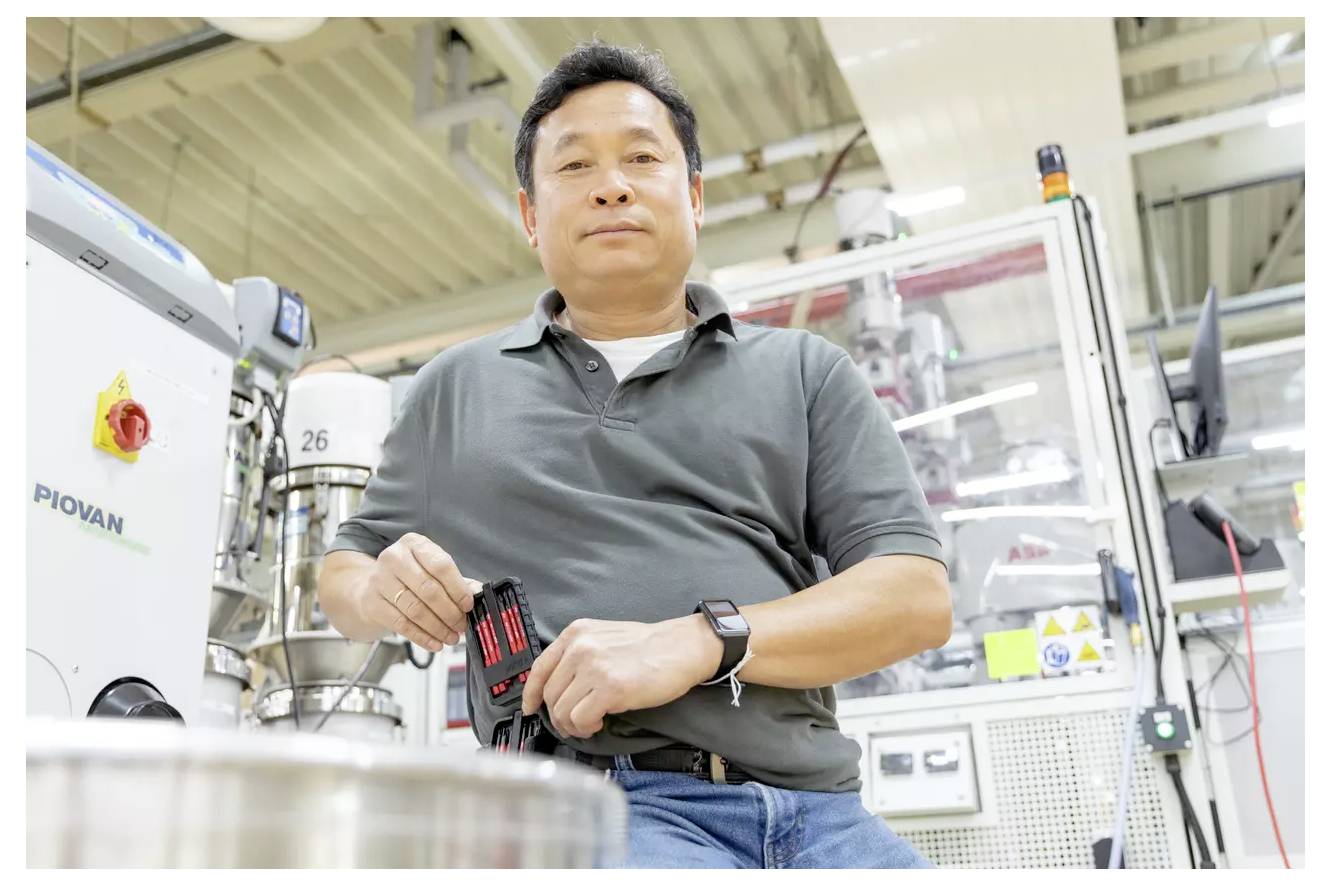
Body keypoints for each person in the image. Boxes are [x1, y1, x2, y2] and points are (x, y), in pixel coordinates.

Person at [321, 41, 952, 869]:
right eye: (574, 165)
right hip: (601, 805)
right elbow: (344, 575)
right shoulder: (455, 388)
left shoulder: (804, 372)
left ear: (693, 196)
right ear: (530, 216)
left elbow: (914, 598)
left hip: (823, 811)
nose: (611, 185)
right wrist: (381, 589)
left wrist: (701, 640)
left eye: (641, 159)